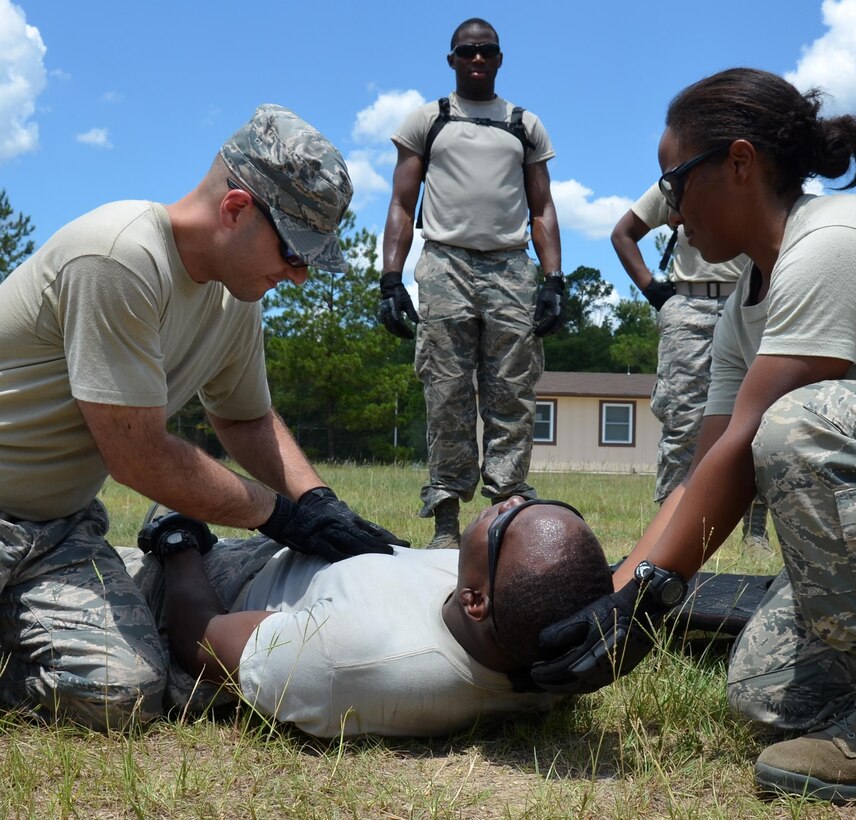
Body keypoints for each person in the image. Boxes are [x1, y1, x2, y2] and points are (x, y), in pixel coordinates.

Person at [529, 67, 856, 802]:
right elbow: (706, 472)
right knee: (764, 685)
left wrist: (644, 598)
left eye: (675, 182)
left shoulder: (833, 242)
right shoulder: (743, 308)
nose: (671, 212)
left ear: (739, 163)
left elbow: (750, 446)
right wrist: (611, 604)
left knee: (798, 426)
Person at [0, 104, 405, 730]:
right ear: (236, 208)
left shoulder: (233, 295)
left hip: (58, 530)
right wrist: (280, 515)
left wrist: (319, 501)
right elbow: (137, 454)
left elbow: (245, 420)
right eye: (293, 251)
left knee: (124, 695)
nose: (298, 276)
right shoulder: (118, 257)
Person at [123, 496, 612, 738]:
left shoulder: (356, 655)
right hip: (315, 557)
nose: (512, 501)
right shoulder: (556, 645)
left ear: (475, 601)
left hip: (219, 583)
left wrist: (177, 537)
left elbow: (199, 642)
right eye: (536, 504)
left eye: (508, 522)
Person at [378, 17, 564, 550]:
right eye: (467, 51)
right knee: (447, 390)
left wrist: (554, 279)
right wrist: (391, 278)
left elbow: (542, 206)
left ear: (500, 59)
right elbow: (400, 202)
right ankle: (444, 519)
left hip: (510, 266)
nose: (477, 59)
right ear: (452, 59)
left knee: (512, 390)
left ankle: (508, 510)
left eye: (487, 51)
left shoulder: (524, 124)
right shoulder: (427, 121)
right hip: (444, 265)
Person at [611, 186, 769, 549]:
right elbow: (623, 233)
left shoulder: (758, 176)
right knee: (682, 420)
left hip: (749, 302)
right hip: (688, 306)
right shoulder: (678, 181)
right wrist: (652, 290)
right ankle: (670, 526)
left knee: (759, 419)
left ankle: (755, 531)